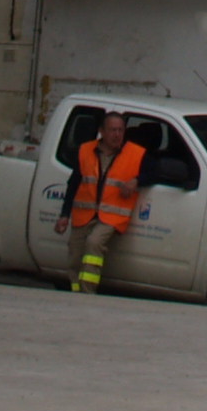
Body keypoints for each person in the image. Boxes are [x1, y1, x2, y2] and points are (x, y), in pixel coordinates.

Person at [66, 110, 148, 294]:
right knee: (74, 255)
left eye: (120, 130)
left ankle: (87, 292)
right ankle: (74, 292)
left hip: (111, 217)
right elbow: (73, 184)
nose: (117, 135)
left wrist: (137, 180)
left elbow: (155, 170)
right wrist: (64, 215)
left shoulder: (135, 153)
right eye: (112, 130)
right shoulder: (86, 151)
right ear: (102, 131)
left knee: (94, 243)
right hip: (84, 214)